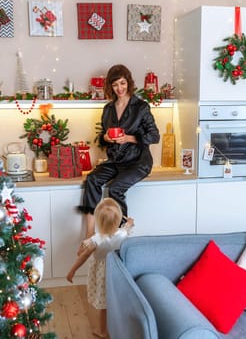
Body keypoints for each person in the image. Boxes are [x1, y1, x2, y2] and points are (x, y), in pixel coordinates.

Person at [78, 64, 160, 238]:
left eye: (122, 83)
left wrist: (129, 138)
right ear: (110, 86)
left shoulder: (141, 107)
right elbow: (102, 137)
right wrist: (105, 138)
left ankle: (121, 232)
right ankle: (89, 233)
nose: (119, 88)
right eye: (115, 85)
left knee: (115, 188)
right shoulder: (108, 109)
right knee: (92, 179)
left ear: (128, 82)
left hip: (138, 161)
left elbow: (154, 136)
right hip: (116, 160)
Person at [67, 198, 134, 339]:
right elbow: (127, 228)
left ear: (98, 221)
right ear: (118, 220)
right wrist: (129, 222)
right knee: (116, 300)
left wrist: (72, 270)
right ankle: (121, 327)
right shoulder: (122, 234)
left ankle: (103, 332)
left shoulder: (97, 239)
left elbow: (83, 256)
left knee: (104, 306)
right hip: (117, 271)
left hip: (101, 274)